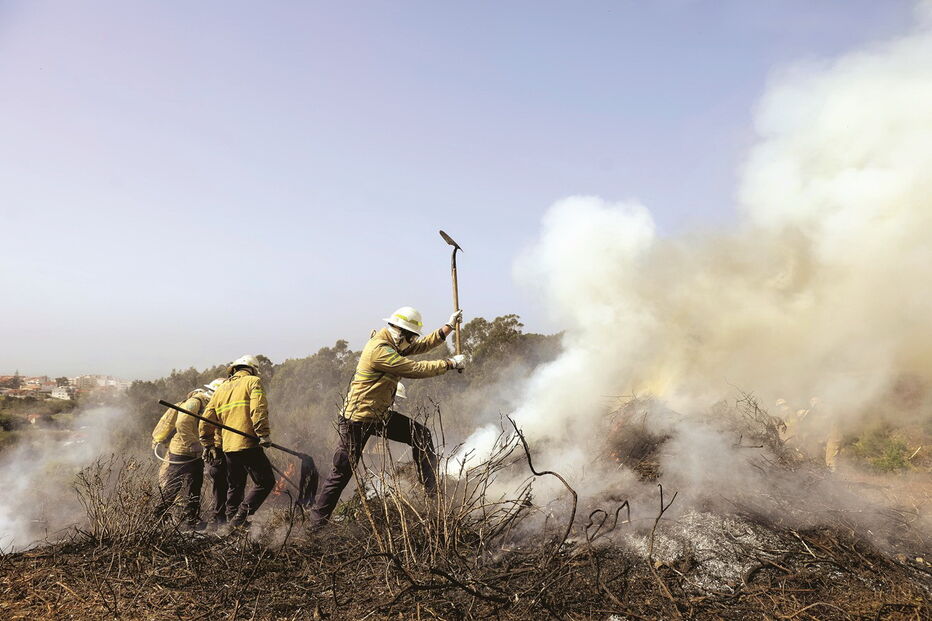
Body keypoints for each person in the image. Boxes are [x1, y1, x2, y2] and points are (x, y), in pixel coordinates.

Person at [309, 306, 466, 529]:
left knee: (420, 435)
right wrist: (449, 363)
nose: (412, 341)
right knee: (342, 472)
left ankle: (432, 496)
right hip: (357, 419)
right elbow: (413, 368)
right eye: (411, 336)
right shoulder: (380, 350)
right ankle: (315, 527)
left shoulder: (394, 343)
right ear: (401, 333)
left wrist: (447, 328)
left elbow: (420, 346)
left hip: (378, 415)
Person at [200, 355, 275, 529]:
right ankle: (239, 519)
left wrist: (208, 443)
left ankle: (230, 523)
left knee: (236, 484)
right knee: (265, 481)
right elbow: (258, 409)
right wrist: (263, 434)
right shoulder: (253, 381)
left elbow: (206, 419)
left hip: (228, 447)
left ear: (234, 369)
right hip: (247, 442)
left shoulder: (221, 389)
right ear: (252, 369)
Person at [152, 384, 215, 530]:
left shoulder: (208, 404)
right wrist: (193, 443)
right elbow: (182, 423)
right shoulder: (196, 401)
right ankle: (156, 518)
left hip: (195, 453)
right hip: (181, 452)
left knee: (195, 486)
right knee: (173, 486)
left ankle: (191, 520)